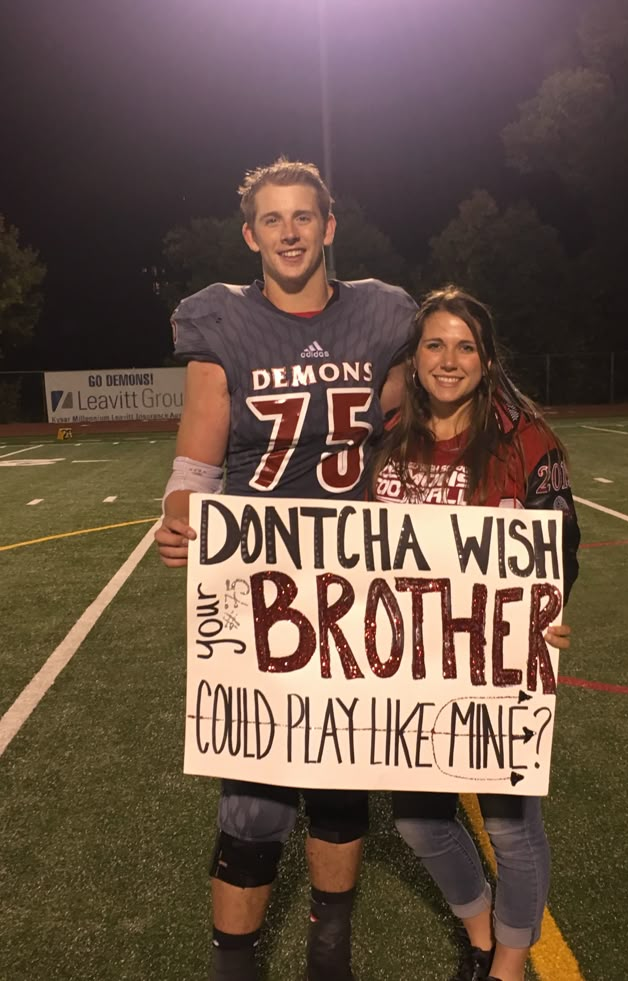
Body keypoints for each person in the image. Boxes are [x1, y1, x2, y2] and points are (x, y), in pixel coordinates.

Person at [154, 158, 416, 981]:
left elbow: (408, 448)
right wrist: (179, 517)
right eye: (274, 219)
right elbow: (198, 461)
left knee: (341, 775)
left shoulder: (381, 315)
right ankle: (234, 966)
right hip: (257, 585)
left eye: (305, 216)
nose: (291, 231)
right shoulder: (221, 322)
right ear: (251, 235)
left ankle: (326, 955)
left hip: (354, 583)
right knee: (255, 796)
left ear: (329, 227)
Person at [372, 285, 580, 981]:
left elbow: (561, 543)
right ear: (415, 355)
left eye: (466, 345)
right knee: (418, 821)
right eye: (434, 343)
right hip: (409, 663)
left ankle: (508, 968)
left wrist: (550, 607)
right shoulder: (385, 437)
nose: (449, 358)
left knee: (511, 827)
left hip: (497, 660)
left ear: (488, 361)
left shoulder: (528, 441)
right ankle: (483, 934)